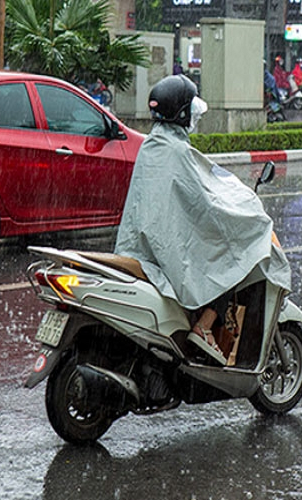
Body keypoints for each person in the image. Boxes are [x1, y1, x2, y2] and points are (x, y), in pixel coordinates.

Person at [114, 75, 291, 364]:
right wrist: (242, 212)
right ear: (183, 114)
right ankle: (204, 327)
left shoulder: (153, 146)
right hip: (163, 248)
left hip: (142, 245)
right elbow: (206, 204)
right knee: (230, 258)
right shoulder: (178, 151)